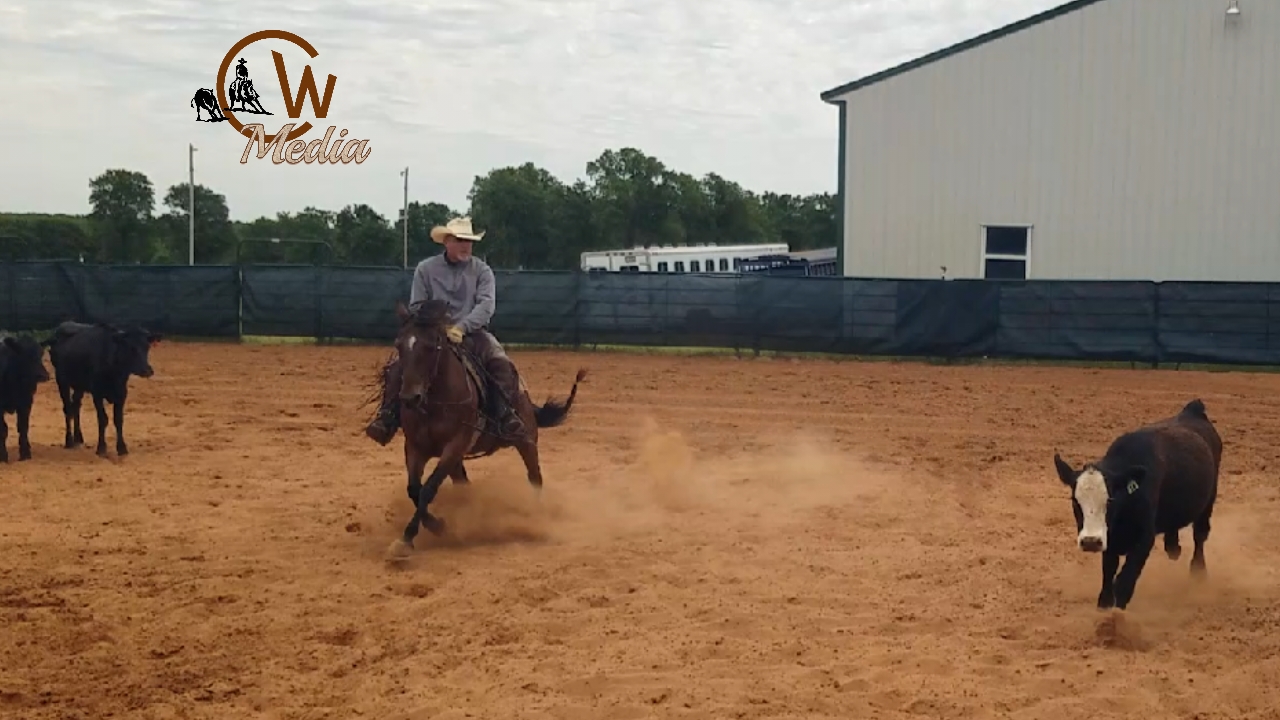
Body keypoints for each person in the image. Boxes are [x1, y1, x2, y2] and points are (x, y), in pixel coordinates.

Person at [364, 216, 526, 445]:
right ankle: (387, 417)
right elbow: (417, 305)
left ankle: (505, 414)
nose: (465, 245)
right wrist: (437, 327)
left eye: (468, 241)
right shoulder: (425, 269)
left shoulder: (482, 271)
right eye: (459, 240)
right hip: (432, 334)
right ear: (446, 242)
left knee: (500, 362)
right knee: (397, 367)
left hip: (473, 333)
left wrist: (462, 327)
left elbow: (486, 306)